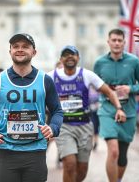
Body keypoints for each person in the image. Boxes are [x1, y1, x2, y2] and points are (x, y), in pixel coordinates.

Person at [0, 33, 63, 182]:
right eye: (16, 46)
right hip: (6, 150)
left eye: (25, 46)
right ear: (10, 51)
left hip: (36, 149)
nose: (20, 49)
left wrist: (53, 127)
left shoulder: (45, 80)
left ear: (34, 52)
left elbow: (57, 110)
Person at [48, 45, 125, 182]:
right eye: (66, 54)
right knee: (69, 163)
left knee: (82, 169)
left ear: (78, 58)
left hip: (84, 126)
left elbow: (109, 92)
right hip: (63, 126)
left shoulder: (86, 75)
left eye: (73, 54)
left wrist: (119, 108)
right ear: (61, 59)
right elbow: (36, 92)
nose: (70, 57)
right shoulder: (51, 76)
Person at [94, 29, 139, 182]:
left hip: (128, 112)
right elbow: (95, 84)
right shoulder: (99, 63)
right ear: (108, 42)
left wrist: (131, 88)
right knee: (113, 151)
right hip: (107, 110)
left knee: (122, 155)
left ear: (124, 43)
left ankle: (118, 180)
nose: (117, 43)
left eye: (119, 40)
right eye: (114, 40)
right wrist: (108, 92)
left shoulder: (134, 61)